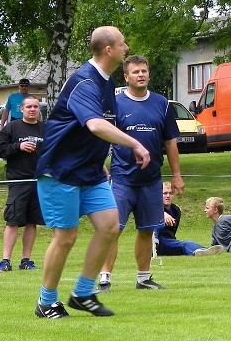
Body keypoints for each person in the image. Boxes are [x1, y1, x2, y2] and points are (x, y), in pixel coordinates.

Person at [34, 26, 151, 319]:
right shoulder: (85, 82)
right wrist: (136, 143)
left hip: (91, 172)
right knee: (66, 237)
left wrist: (99, 159)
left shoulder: (107, 83)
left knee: (110, 226)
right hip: (60, 171)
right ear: (109, 50)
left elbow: (94, 130)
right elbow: (96, 125)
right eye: (123, 43)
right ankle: (46, 302)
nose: (127, 48)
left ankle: (83, 294)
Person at [98, 55, 184, 293]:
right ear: (126, 77)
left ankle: (144, 278)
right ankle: (104, 279)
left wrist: (176, 175)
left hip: (151, 180)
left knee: (146, 230)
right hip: (122, 179)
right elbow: (101, 135)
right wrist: (98, 163)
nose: (141, 75)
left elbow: (171, 142)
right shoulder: (114, 103)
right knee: (113, 229)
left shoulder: (162, 103)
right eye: (135, 72)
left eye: (144, 71)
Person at [0, 96, 45, 272]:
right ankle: (5, 261)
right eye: (29, 107)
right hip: (19, 180)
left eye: (35, 106)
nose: (32, 109)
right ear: (22, 109)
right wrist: (19, 147)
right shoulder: (12, 127)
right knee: (12, 221)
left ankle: (26, 260)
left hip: (39, 180)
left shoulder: (45, 128)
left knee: (32, 222)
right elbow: (0, 149)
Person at [154, 182, 207, 256]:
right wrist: (161, 213)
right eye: (165, 193)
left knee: (185, 244)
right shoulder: (153, 208)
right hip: (156, 243)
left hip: (169, 241)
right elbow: (147, 210)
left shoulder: (176, 210)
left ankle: (205, 250)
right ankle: (199, 251)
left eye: (171, 193)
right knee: (185, 244)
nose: (168, 196)